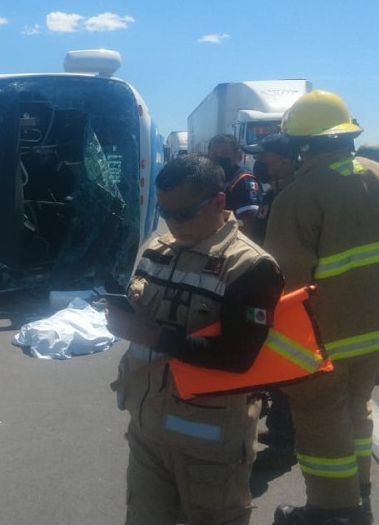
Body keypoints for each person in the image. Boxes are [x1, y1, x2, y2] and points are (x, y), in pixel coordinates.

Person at [108, 153, 283, 525]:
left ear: (220, 203)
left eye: (184, 214)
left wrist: (154, 336)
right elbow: (140, 287)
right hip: (146, 429)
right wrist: (130, 305)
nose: (173, 224)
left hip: (209, 443)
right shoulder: (158, 248)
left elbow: (238, 358)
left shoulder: (252, 267)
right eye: (165, 213)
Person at [265, 90, 379, 525]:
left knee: (319, 423)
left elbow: (283, 287)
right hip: (371, 334)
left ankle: (333, 510)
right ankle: (360, 493)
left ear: (303, 146)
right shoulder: (376, 174)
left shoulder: (298, 197)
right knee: (355, 413)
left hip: (322, 342)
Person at [242, 132, 300, 472]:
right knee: (273, 366)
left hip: (287, 292)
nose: (259, 164)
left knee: (286, 368)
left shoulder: (296, 194)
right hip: (268, 287)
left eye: (266, 158)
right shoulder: (274, 190)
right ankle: (281, 429)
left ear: (286, 159)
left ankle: (285, 441)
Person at [207, 133, 262, 239]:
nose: (219, 157)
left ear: (238, 156)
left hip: (230, 242)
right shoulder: (209, 178)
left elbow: (250, 223)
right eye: (214, 154)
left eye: (225, 153)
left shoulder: (243, 180)